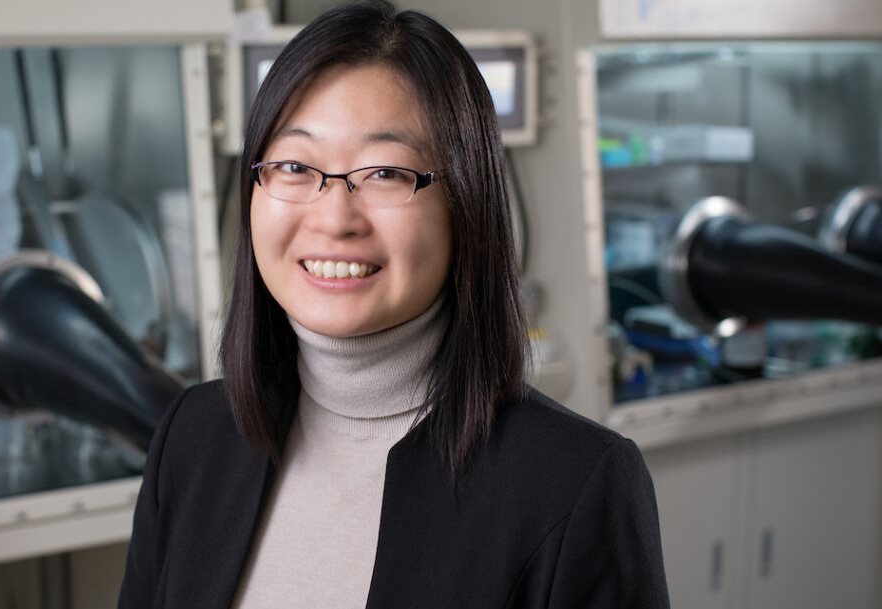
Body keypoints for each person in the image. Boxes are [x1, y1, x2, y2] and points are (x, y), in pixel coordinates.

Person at [118, 1, 670, 607]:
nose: (334, 218)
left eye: (385, 173)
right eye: (295, 166)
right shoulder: (193, 439)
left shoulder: (576, 483)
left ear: (466, 203)